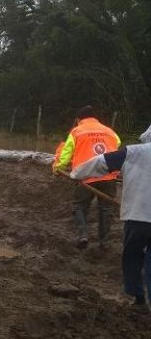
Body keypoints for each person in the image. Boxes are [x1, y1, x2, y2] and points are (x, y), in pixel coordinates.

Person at [71, 124, 151, 312]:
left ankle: (139, 299)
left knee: (132, 256)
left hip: (138, 217)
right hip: (138, 215)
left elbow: (101, 162)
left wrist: (77, 174)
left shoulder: (134, 152)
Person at [53, 106, 121, 248]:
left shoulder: (76, 131)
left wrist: (58, 167)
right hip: (109, 175)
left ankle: (83, 236)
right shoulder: (110, 131)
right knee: (106, 209)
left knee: (79, 206)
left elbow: (65, 154)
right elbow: (117, 144)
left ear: (79, 119)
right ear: (95, 118)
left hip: (85, 176)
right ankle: (104, 242)